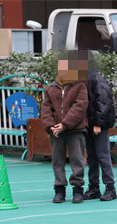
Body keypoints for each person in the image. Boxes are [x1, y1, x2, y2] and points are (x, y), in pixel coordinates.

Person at [41, 50, 89, 204]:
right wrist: (50, 126)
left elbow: (80, 107)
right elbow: (45, 109)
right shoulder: (51, 88)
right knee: (57, 161)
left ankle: (78, 190)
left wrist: (65, 124)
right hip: (56, 131)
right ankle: (59, 190)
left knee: (77, 160)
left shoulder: (80, 85)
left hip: (76, 129)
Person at [83, 53, 117, 202]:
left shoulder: (95, 79)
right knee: (92, 156)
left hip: (97, 124)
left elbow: (103, 103)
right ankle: (94, 187)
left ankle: (110, 188)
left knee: (102, 155)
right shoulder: (88, 78)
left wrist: (98, 123)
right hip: (90, 124)